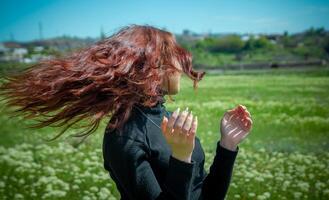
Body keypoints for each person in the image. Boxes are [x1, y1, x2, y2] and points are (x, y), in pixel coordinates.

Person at [0, 24, 252, 200]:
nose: (180, 66)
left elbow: (206, 195)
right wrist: (181, 158)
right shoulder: (123, 137)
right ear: (151, 66)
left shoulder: (164, 119)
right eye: (174, 56)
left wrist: (227, 146)